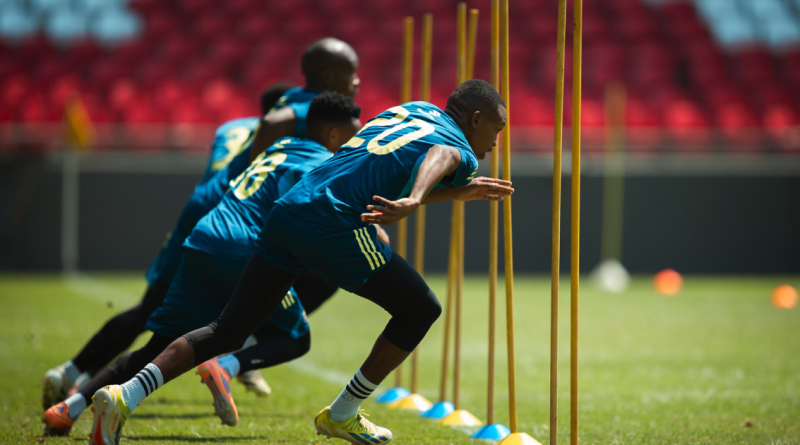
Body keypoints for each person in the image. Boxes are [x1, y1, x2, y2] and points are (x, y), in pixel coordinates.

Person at [90, 79, 514, 445]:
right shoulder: (460, 148)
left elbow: (385, 166)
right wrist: (418, 197)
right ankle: (343, 413)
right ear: (475, 119)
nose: (496, 141)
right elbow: (442, 154)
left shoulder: (414, 109)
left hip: (289, 211)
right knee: (421, 309)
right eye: (497, 129)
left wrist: (445, 193)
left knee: (228, 329)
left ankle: (124, 395)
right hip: (331, 225)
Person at [41, 37, 361, 435]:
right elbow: (294, 177)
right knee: (290, 335)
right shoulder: (306, 137)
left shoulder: (267, 122)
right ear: (333, 128)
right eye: (352, 74)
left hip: (208, 224)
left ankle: (70, 403)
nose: (357, 81)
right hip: (242, 233)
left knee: (159, 334)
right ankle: (231, 361)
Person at [40, 82, 295, 412]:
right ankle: (236, 358)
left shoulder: (231, 127)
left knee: (151, 308)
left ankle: (72, 373)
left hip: (200, 210)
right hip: (231, 218)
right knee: (180, 320)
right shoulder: (283, 138)